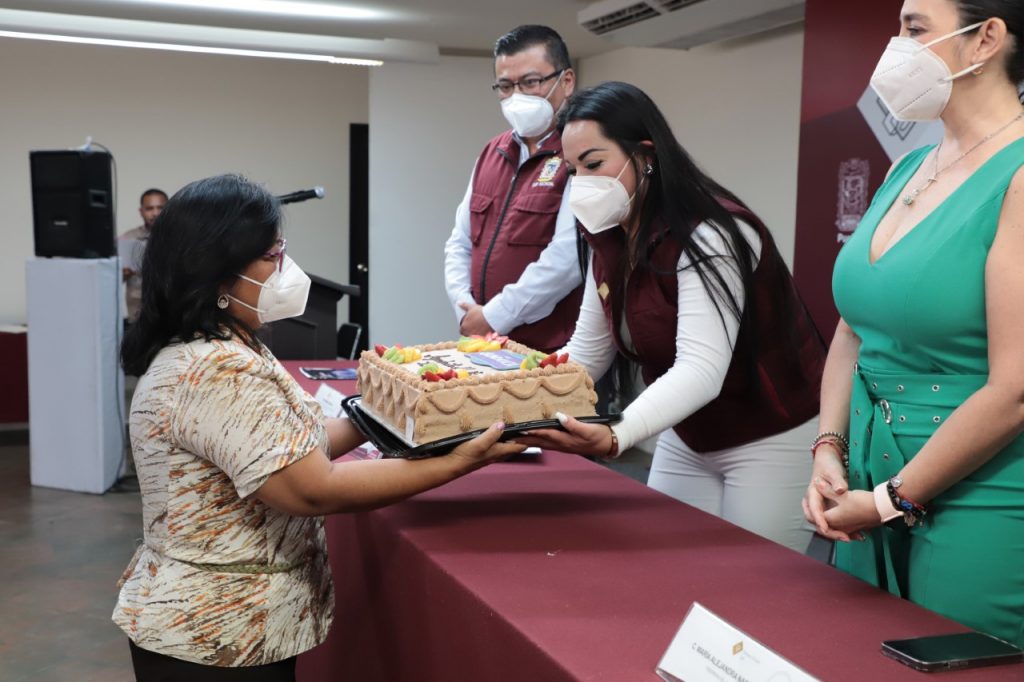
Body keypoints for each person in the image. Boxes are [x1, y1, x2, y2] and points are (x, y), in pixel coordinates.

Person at [114, 174, 524, 680]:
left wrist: (404, 408)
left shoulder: (232, 344)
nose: (285, 267)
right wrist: (458, 461)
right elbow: (311, 488)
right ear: (218, 274)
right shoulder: (216, 368)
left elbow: (294, 446)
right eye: (271, 255)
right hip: (211, 634)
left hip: (234, 629)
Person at [518, 82, 827, 553]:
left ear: (646, 155)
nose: (582, 183)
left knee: (754, 588)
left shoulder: (713, 234)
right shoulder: (610, 236)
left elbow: (700, 370)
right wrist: (501, 395)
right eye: (573, 169)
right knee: (669, 567)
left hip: (771, 433)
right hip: (692, 432)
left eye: (595, 164)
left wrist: (614, 435)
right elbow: (583, 357)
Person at [803, 0, 1024, 647]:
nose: (895, 45)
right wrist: (829, 448)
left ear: (985, 39)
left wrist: (887, 500)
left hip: (980, 493)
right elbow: (853, 330)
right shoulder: (909, 167)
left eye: (913, 27)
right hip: (871, 474)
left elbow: (1014, 389)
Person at [443, 25, 583, 354]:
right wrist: (466, 309)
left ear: (566, 81)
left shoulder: (579, 152)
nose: (517, 96)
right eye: (505, 86)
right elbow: (459, 243)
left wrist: (494, 316)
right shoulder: (492, 152)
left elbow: (567, 259)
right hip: (482, 344)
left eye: (531, 82)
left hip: (549, 353)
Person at [119, 188, 168, 321]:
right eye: (149, 208)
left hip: (170, 308)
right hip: (138, 311)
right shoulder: (126, 239)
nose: (155, 213)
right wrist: (122, 275)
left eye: (160, 208)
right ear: (141, 211)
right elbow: (113, 280)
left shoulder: (179, 237)